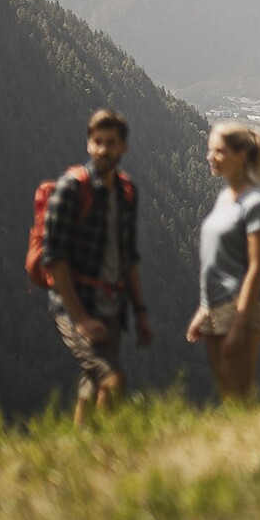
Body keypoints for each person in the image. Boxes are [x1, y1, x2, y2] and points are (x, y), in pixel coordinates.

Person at [42, 108, 152, 425]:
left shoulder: (126, 192)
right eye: (97, 142)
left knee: (92, 386)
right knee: (112, 379)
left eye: (111, 142)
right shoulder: (71, 189)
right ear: (89, 144)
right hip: (72, 303)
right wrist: (80, 319)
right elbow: (55, 258)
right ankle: (105, 452)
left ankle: (80, 451)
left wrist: (140, 312)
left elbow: (129, 257)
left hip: (111, 304)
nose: (103, 149)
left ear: (123, 147)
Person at [187, 121, 260, 401]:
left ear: (241, 155)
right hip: (215, 308)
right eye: (210, 150)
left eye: (219, 151)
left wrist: (240, 323)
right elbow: (215, 259)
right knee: (229, 394)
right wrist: (204, 307)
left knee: (240, 396)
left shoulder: (255, 203)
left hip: (238, 308)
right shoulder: (224, 197)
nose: (210, 157)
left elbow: (257, 266)